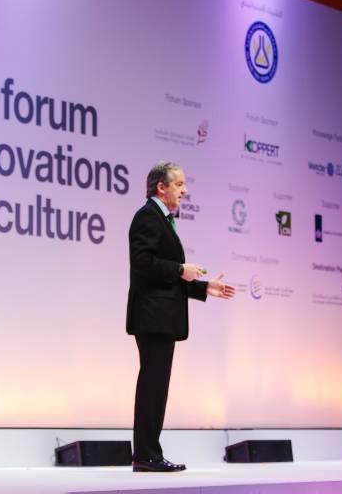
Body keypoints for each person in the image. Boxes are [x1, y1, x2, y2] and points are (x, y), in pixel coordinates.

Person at [126, 161, 235, 472]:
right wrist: (179, 269)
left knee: (156, 387)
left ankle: (148, 454)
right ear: (161, 187)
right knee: (153, 387)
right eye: (179, 184)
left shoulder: (161, 219)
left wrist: (204, 287)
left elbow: (169, 279)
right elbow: (142, 264)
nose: (184, 191)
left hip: (160, 317)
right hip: (153, 317)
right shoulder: (148, 216)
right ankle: (146, 456)